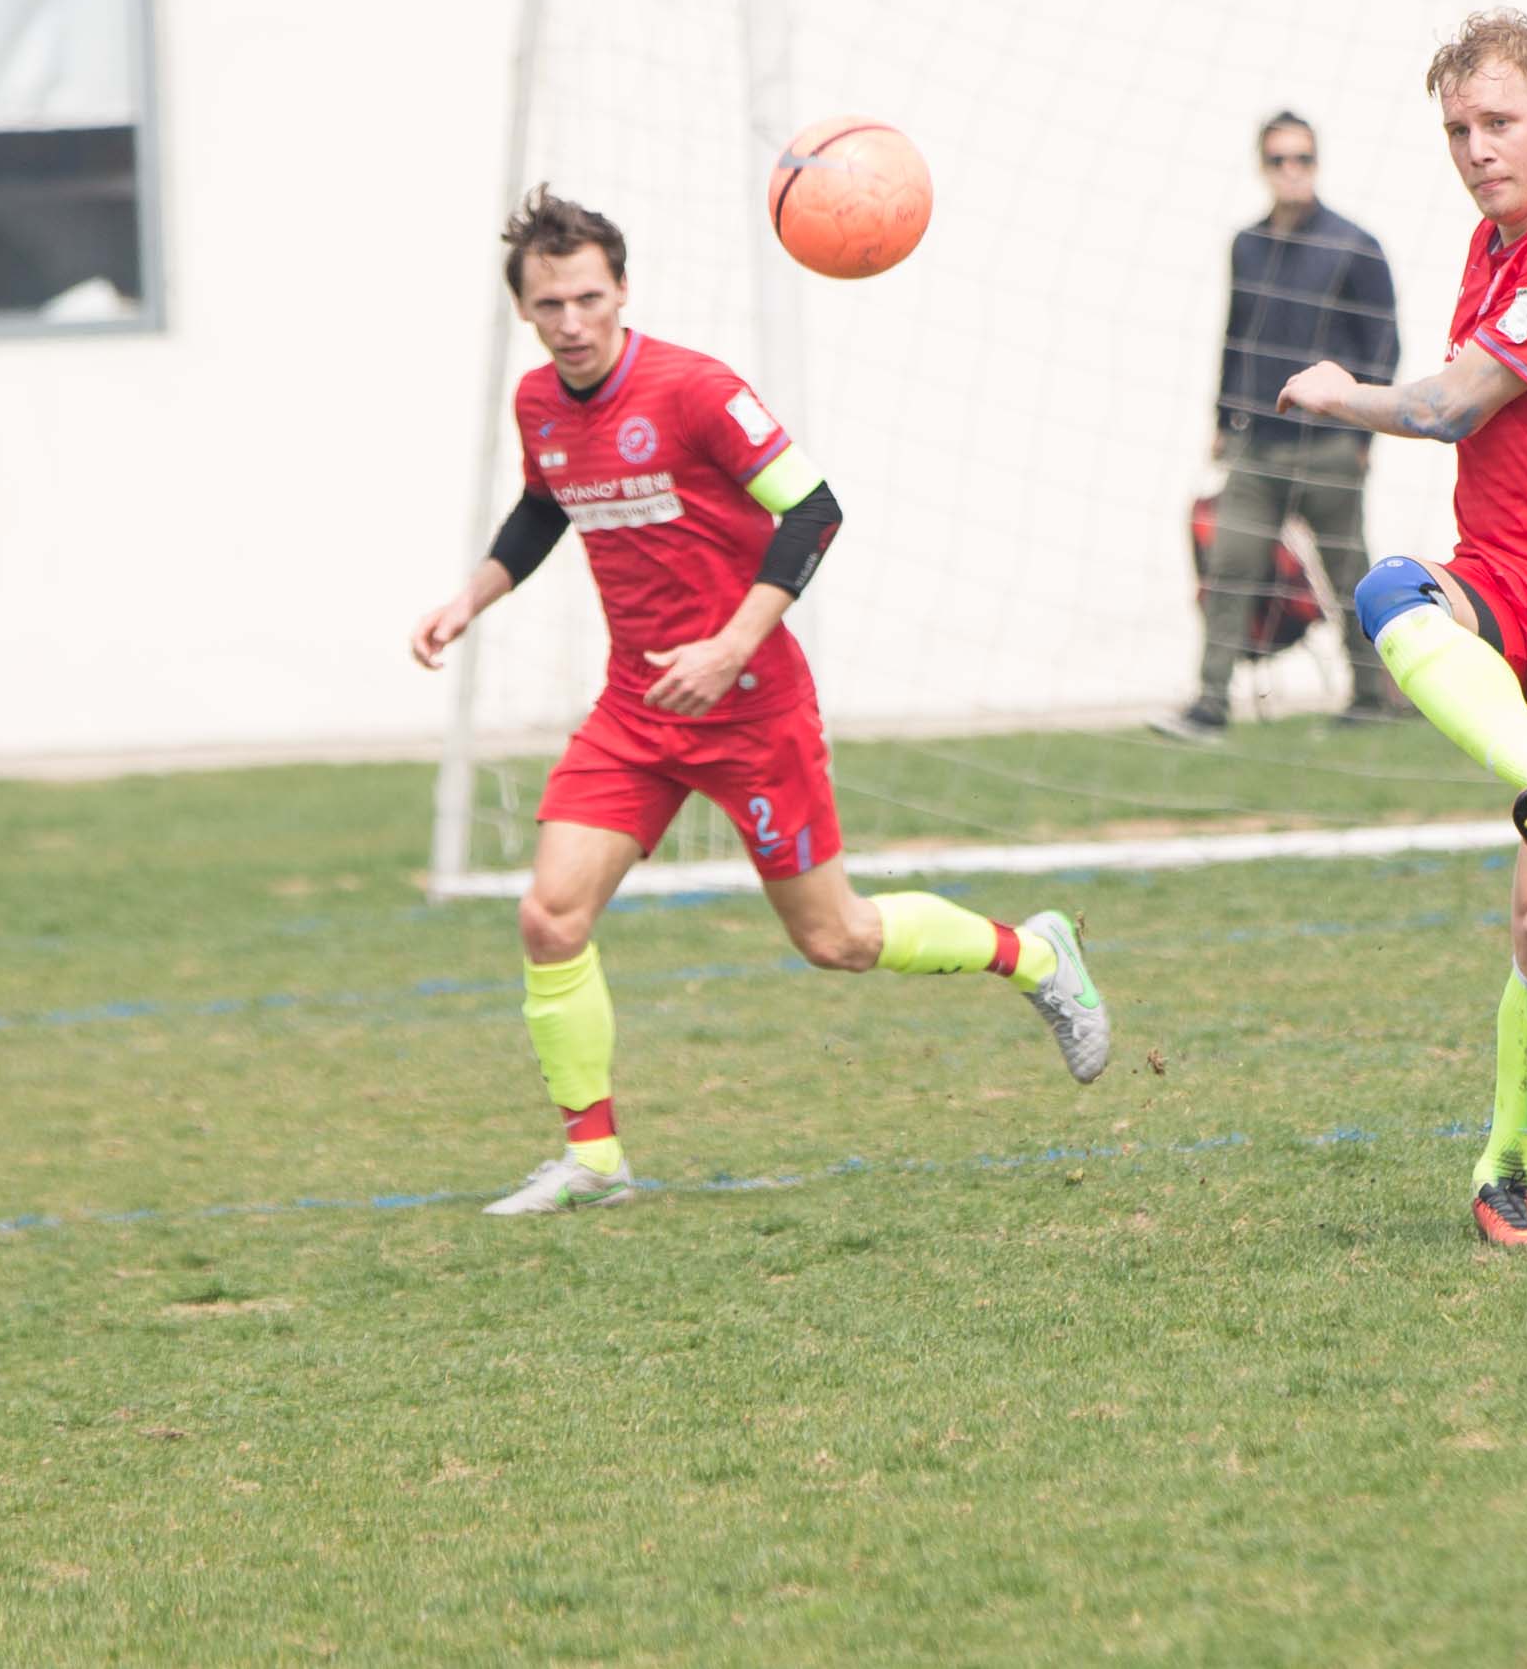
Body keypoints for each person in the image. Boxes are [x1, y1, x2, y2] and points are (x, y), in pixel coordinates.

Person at [410, 188, 1110, 1215]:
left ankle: (1035, 953)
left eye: (588, 298)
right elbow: (543, 504)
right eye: (549, 304)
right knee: (549, 916)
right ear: (523, 306)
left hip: (751, 705)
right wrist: (468, 598)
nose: (571, 322)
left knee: (837, 939)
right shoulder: (538, 403)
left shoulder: (695, 389)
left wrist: (730, 642)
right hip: (637, 707)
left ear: (623, 290)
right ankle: (594, 1159)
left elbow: (814, 509)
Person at [1274, 11, 1527, 1249]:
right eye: (1457, 129)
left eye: (1498, 123)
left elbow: (1451, 405)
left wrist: (1342, 393)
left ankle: (1508, 1161)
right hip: (1504, 576)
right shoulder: (1489, 245)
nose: (1476, 149)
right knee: (1387, 589)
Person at [1157, 112, 1403, 740]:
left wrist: (1362, 435)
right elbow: (1236, 336)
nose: (1291, 171)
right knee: (1229, 570)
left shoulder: (1355, 244)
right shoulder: (1246, 244)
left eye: (1302, 158)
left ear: (1317, 163)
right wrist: (1222, 419)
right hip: (1256, 447)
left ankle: (1371, 697)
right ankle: (1210, 705)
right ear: (1261, 167)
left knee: (1351, 580)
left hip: (1330, 448)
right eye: (1278, 160)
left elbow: (1383, 347)